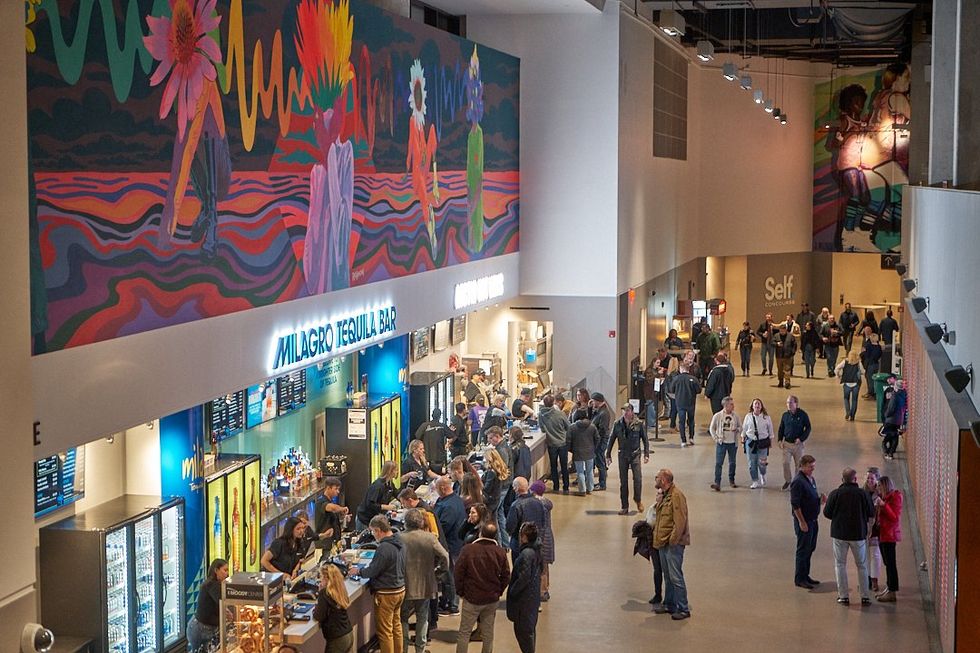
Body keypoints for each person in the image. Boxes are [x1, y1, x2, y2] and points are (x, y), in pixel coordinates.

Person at [454, 522, 510, 653]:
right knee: (488, 633)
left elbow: (458, 572)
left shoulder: (468, 550)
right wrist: (499, 591)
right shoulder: (500, 552)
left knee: (464, 632)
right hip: (491, 598)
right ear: (495, 536)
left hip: (471, 597)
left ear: (481, 533)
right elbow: (506, 575)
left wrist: (461, 592)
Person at [823, 468, 876, 605]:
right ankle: (865, 596)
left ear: (842, 479)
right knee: (862, 565)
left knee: (840, 564)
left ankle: (843, 596)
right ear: (855, 479)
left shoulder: (835, 494)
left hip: (839, 534)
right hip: (858, 534)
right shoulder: (863, 494)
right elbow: (871, 512)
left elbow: (827, 513)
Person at [399, 508, 448, 653]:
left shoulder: (399, 538)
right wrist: (438, 573)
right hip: (425, 583)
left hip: (404, 584)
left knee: (403, 619)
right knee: (422, 618)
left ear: (405, 522)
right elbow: (445, 556)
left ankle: (404, 648)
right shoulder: (430, 538)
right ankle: (420, 649)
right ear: (421, 522)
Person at [356, 515, 406, 653]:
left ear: (378, 530)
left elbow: (373, 570)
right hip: (400, 589)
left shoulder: (384, 548)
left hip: (386, 593)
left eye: (373, 531)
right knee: (396, 626)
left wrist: (359, 571)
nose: (373, 534)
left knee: (385, 632)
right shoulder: (399, 541)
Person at [651, 469, 690, 620]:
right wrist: (659, 502)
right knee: (667, 576)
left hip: (673, 544)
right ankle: (669, 604)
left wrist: (673, 541)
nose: (655, 479)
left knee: (676, 577)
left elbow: (680, 521)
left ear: (664, 480)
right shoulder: (665, 495)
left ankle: (683, 608)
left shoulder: (676, 496)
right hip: (663, 542)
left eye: (657, 477)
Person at [606, 403, 650, 515]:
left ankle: (638, 499)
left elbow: (645, 440)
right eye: (624, 410)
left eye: (627, 410)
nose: (625, 413)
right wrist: (608, 455)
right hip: (623, 455)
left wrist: (646, 454)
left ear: (632, 411)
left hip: (635, 454)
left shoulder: (639, 424)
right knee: (623, 481)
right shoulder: (617, 424)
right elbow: (611, 440)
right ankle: (624, 506)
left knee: (638, 479)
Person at [507, 523, 543, 653]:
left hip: (524, 601)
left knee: (524, 633)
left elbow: (524, 578)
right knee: (528, 632)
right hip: (531, 599)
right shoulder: (536, 550)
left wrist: (513, 591)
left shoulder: (526, 554)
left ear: (524, 537)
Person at [433, 476, 466, 616]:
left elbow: (443, 527)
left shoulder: (449, 506)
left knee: (449, 575)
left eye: (436, 488)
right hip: (455, 543)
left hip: (450, 545)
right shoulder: (454, 500)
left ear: (442, 488)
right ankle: (448, 600)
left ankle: (452, 605)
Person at [790, 455, 824, 590]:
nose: (812, 469)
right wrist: (802, 522)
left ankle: (806, 574)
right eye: (810, 467)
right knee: (803, 550)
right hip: (805, 522)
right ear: (802, 466)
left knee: (810, 548)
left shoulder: (810, 479)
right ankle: (800, 578)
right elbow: (795, 504)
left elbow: (810, 497)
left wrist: (819, 500)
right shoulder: (798, 482)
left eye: (813, 467)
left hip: (813, 520)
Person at [187, 558, 228, 652]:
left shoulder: (215, 584)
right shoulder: (211, 585)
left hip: (203, 627)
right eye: (225, 570)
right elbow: (222, 601)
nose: (227, 574)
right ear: (216, 570)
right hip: (200, 629)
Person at [874, 476, 904, 602]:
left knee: (891, 564)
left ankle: (892, 591)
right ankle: (889, 587)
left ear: (885, 485)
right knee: (887, 563)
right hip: (883, 534)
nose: (877, 488)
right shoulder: (885, 497)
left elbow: (894, 517)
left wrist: (883, 505)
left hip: (889, 535)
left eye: (879, 485)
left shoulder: (895, 497)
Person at [314, 563, 354, 653]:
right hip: (348, 633)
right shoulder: (340, 590)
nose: (320, 581)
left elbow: (318, 616)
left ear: (327, 579)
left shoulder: (324, 593)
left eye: (322, 578)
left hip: (337, 639)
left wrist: (319, 596)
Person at [538, 394, 571, 494]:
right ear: (553, 403)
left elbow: (542, 429)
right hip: (562, 442)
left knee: (553, 466)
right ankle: (566, 487)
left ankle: (556, 486)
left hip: (551, 443)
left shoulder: (541, 414)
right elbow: (568, 426)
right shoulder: (560, 414)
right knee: (564, 466)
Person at [778, 395, 812, 491]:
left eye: (791, 402)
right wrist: (780, 440)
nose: (789, 404)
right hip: (787, 444)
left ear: (796, 403)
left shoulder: (802, 415)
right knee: (785, 462)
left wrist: (801, 439)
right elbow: (781, 428)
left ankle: (796, 482)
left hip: (798, 445)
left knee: (799, 465)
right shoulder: (785, 415)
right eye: (787, 402)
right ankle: (788, 480)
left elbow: (808, 428)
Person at [506, 477, 546, 558]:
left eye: (514, 486)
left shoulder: (516, 505)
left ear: (516, 488)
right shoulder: (539, 503)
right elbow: (543, 522)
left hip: (519, 544)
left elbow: (510, 527)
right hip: (536, 542)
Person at [529, 481, 555, 602]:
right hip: (548, 537)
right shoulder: (546, 503)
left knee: (541, 567)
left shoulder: (538, 505)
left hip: (542, 538)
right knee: (545, 566)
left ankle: (542, 591)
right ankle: (545, 589)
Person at [708, 397, 740, 491]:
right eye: (731, 404)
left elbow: (741, 427)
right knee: (719, 463)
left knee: (732, 462)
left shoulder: (736, 416)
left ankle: (732, 480)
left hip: (733, 443)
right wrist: (716, 438)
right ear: (726, 405)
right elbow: (712, 428)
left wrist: (737, 429)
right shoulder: (718, 416)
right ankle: (717, 482)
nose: (733, 406)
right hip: (722, 443)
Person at [356, 461, 398, 530]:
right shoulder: (377, 486)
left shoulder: (389, 484)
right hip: (365, 519)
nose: (397, 472)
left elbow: (397, 494)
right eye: (396, 470)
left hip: (375, 518)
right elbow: (370, 504)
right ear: (390, 471)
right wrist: (386, 507)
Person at [742, 398, 774, 489]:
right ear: (752, 406)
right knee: (752, 462)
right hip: (751, 442)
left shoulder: (766, 417)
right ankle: (755, 480)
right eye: (755, 404)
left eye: (759, 403)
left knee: (762, 463)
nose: (757, 405)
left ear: (761, 406)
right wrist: (743, 439)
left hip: (763, 442)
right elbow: (744, 429)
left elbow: (770, 431)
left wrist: (770, 442)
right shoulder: (748, 416)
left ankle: (763, 474)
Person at [313, 477, 348, 561]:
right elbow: (331, 508)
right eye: (336, 489)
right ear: (328, 488)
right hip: (324, 545)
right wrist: (342, 509)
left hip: (333, 544)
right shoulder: (321, 501)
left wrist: (344, 518)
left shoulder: (331, 501)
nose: (338, 492)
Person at [568, 408, 599, 495]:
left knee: (580, 471)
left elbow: (568, 441)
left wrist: (571, 450)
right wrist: (593, 447)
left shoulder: (572, 427)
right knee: (589, 471)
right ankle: (590, 488)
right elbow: (597, 438)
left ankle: (582, 490)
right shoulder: (592, 426)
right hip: (590, 451)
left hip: (577, 452)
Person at [669, 364, 701, 447]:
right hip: (691, 402)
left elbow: (671, 389)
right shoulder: (693, 379)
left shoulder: (676, 379)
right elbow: (699, 390)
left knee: (681, 422)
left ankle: (683, 440)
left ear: (681, 369)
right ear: (688, 369)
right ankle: (691, 437)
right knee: (691, 420)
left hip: (680, 403)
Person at [863, 467, 882, 594]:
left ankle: (874, 580)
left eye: (872, 478)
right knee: (864, 555)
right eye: (868, 477)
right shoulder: (862, 492)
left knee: (875, 554)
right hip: (863, 526)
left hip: (875, 527)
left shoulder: (880, 493)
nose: (869, 480)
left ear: (877, 479)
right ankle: (866, 578)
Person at [414, 408, 449, 474]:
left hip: (427, 457)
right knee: (439, 476)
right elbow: (453, 436)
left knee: (428, 475)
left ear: (432, 415)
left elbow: (417, 436)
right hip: (440, 457)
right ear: (440, 416)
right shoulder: (443, 426)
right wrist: (447, 444)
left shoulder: (424, 425)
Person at [481, 448, 509, 530]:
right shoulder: (497, 470)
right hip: (495, 499)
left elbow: (486, 488)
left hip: (490, 502)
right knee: (496, 521)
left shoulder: (491, 472)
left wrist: (479, 485)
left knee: (491, 523)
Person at [590, 392, 613, 491]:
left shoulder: (603, 413)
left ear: (598, 401)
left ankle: (602, 484)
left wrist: (596, 442)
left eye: (593, 401)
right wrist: (590, 408)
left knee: (600, 462)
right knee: (600, 461)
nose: (592, 403)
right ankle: (601, 482)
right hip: (599, 440)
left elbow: (602, 430)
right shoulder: (600, 411)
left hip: (600, 441)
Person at [836, 350, 865, 421]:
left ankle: (848, 412)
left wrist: (838, 375)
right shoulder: (858, 363)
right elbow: (863, 371)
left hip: (846, 383)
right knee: (854, 400)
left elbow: (837, 368)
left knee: (846, 398)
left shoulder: (845, 362)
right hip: (856, 383)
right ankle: (852, 416)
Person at [881, 380, 907, 460]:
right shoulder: (904, 395)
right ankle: (891, 453)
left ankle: (887, 452)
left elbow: (891, 408)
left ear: (896, 387)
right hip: (898, 420)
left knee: (885, 439)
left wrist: (886, 415)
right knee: (895, 436)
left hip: (891, 420)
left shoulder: (895, 396)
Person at [773, 323, 798, 389]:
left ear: (786, 330)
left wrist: (792, 352)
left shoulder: (790, 336)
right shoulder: (776, 336)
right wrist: (777, 344)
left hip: (788, 356)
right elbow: (772, 343)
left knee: (787, 369)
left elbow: (794, 344)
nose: (782, 332)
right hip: (779, 356)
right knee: (780, 370)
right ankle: (780, 381)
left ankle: (787, 382)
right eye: (781, 331)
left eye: (783, 331)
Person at [861, 334, 882, 399]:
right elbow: (880, 355)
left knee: (869, 379)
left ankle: (870, 393)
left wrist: (863, 352)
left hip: (870, 364)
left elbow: (866, 356)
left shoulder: (869, 346)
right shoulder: (879, 347)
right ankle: (874, 392)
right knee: (874, 379)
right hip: (876, 364)